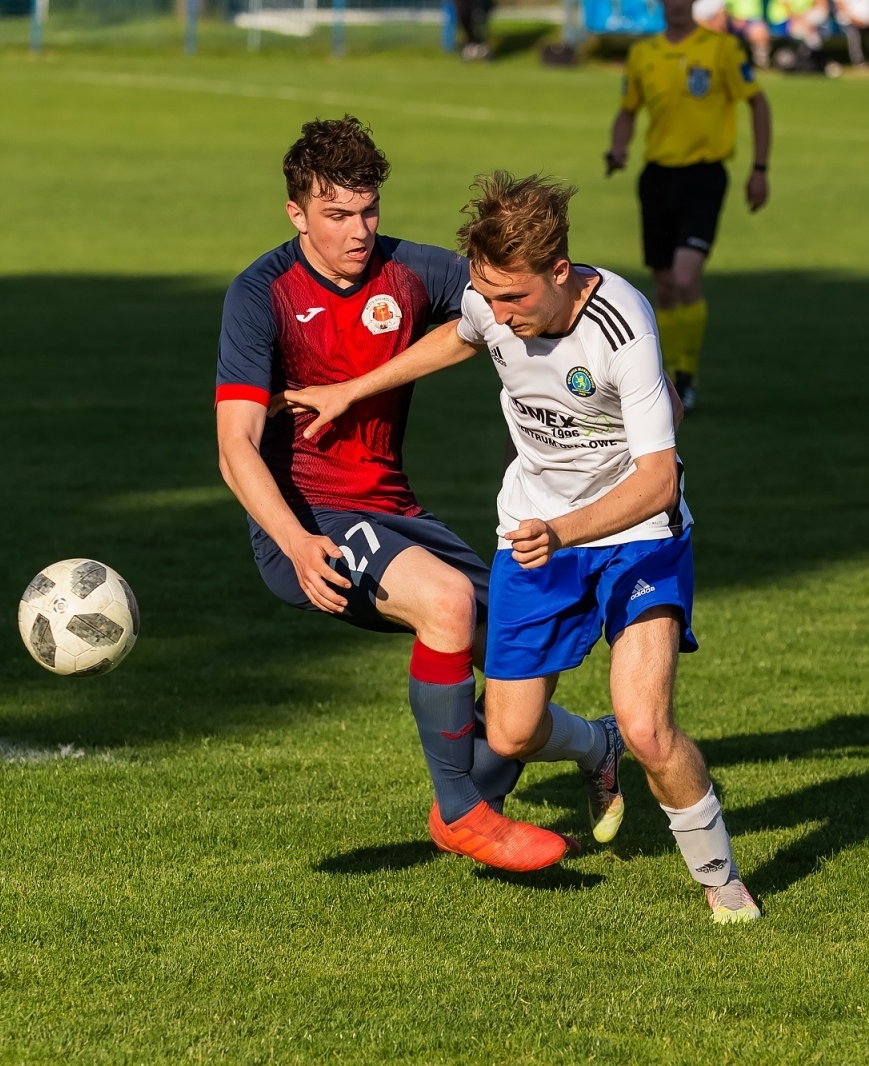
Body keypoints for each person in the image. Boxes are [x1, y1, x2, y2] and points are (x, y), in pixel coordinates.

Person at [281, 173, 761, 923]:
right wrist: (355, 389)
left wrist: (563, 532)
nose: (497, 316)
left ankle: (721, 879)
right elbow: (461, 333)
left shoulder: (623, 325)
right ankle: (593, 748)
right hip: (535, 534)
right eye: (489, 297)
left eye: (514, 300)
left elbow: (660, 483)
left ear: (560, 273)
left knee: (648, 726)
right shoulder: (491, 302)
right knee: (508, 731)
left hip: (633, 539)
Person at [215, 118, 620, 874]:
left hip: (395, 510)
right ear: (297, 214)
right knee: (445, 605)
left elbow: (517, 288)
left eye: (368, 211)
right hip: (310, 516)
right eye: (336, 215)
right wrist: (298, 542)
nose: (358, 230)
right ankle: (467, 813)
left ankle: (595, 746)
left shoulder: (410, 273)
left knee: (524, 653)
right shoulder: (261, 295)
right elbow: (234, 448)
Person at [605, 0, 772, 412]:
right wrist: (619, 147)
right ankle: (665, 376)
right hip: (657, 178)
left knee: (683, 278)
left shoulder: (722, 49)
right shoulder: (643, 54)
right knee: (663, 286)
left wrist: (760, 168)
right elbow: (628, 111)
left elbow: (758, 102)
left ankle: (686, 376)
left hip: (704, 176)